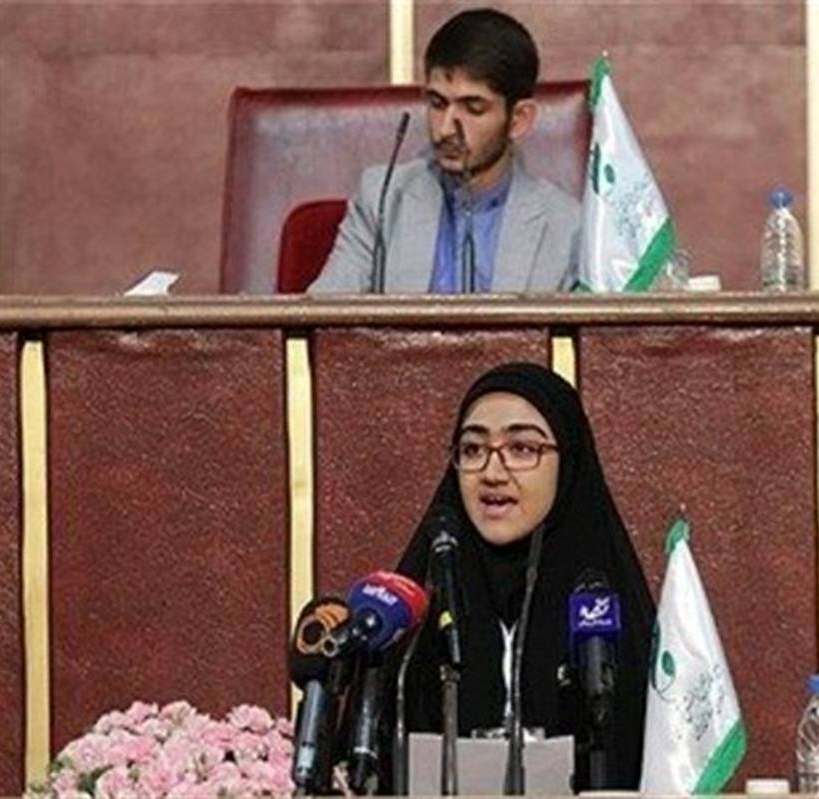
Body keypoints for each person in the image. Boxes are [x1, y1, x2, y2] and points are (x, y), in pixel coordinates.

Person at [388, 362, 655, 790]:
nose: (493, 473)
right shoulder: (428, 599)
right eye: (473, 450)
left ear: (568, 463)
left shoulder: (602, 601)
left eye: (522, 449)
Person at [308, 9, 581, 294]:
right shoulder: (383, 199)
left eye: (473, 108)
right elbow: (324, 311)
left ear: (518, 119)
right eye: (438, 103)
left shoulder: (567, 227)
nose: (446, 129)